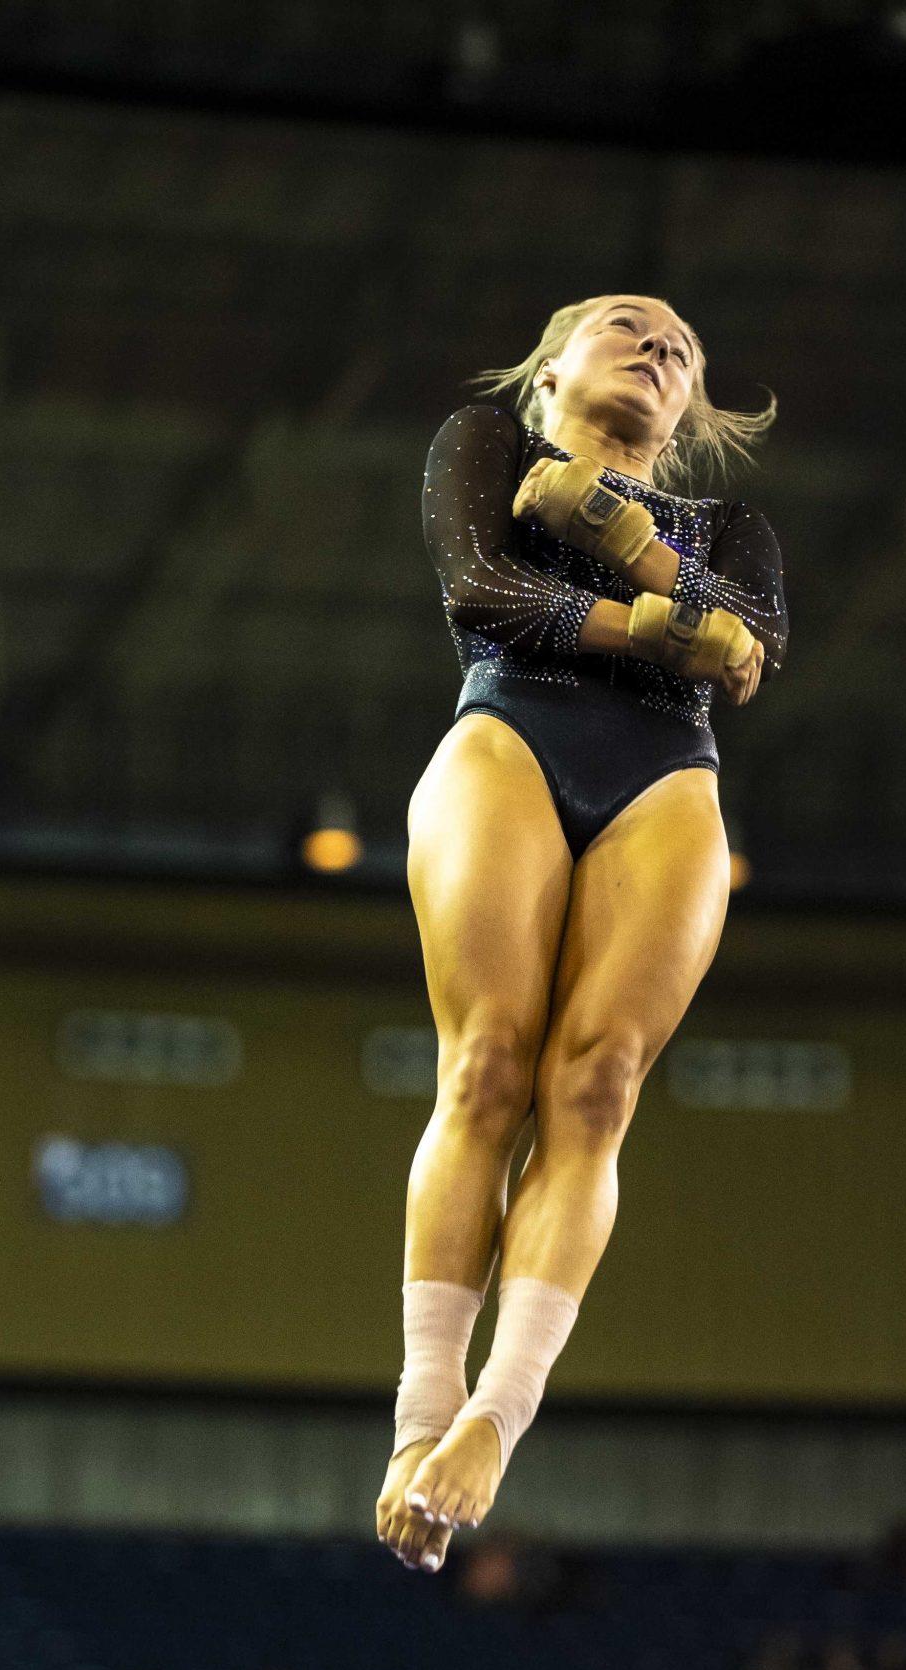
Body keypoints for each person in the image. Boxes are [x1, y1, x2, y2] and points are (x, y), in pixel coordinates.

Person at [375, 293, 787, 1570]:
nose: (662, 352)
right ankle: (423, 1406)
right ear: (553, 366)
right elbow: (484, 587)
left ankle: (498, 1416)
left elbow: (757, 646)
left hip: (667, 775)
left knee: (596, 1084)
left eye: (683, 353)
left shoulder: (734, 527)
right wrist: (664, 619)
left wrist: (615, 532)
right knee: (487, 1063)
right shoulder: (486, 447)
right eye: (631, 329)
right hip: (509, 729)